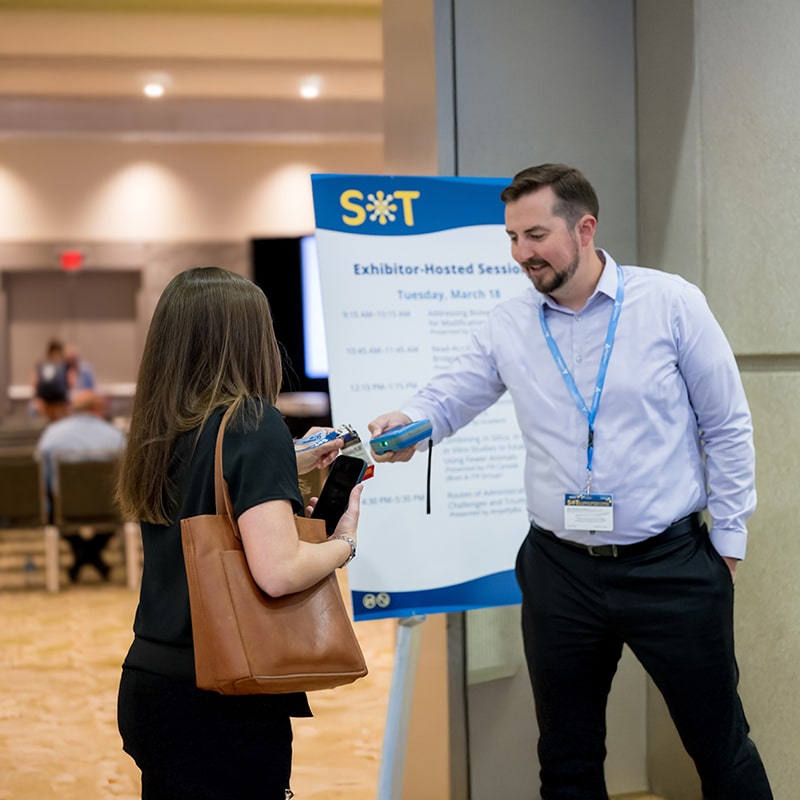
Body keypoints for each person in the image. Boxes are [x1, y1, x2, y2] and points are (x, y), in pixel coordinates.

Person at [368, 164, 772, 799]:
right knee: (566, 754)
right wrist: (409, 423)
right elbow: (447, 399)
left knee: (718, 744)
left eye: (535, 235)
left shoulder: (670, 303)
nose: (520, 254)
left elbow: (726, 424)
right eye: (510, 238)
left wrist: (727, 540)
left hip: (670, 565)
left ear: (585, 228)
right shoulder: (509, 324)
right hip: (561, 571)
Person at [115, 266, 362, 800]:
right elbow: (278, 573)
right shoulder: (254, 420)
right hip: (224, 692)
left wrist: (285, 463)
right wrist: (343, 542)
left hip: (151, 683)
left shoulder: (157, 428)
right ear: (248, 338)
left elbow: (205, 485)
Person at [35, 389, 126, 582]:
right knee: (118, 505)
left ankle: (82, 557)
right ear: (97, 409)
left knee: (53, 507)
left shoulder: (52, 435)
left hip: (62, 510)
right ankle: (92, 558)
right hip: (109, 508)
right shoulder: (115, 436)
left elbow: (41, 474)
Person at [30, 338, 73, 421]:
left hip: (44, 403)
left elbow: (34, 382)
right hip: (61, 402)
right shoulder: (64, 365)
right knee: (61, 424)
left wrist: (37, 398)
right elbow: (71, 382)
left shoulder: (41, 364)